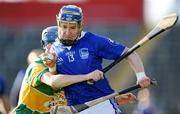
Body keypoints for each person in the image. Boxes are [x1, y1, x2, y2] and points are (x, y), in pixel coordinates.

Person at [49, 5, 151, 114]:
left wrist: (141, 75)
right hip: (76, 110)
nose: (67, 32)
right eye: (64, 26)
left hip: (103, 107)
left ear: (80, 26)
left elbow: (128, 53)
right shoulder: (53, 49)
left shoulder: (93, 41)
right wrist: (52, 67)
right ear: (58, 24)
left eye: (72, 27)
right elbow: (54, 81)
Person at [12, 26, 107, 114]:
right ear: (49, 47)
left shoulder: (67, 69)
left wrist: (115, 100)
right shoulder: (37, 66)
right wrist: (87, 76)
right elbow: (53, 81)